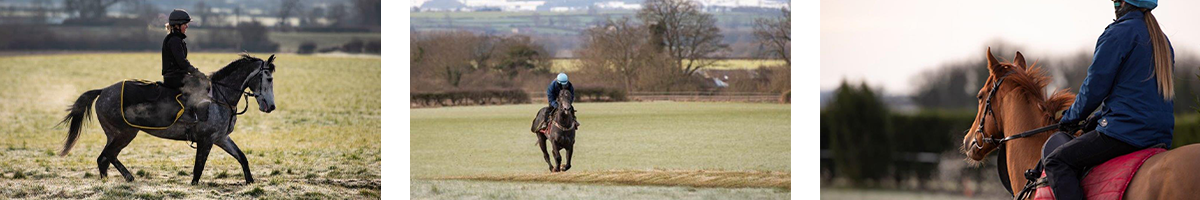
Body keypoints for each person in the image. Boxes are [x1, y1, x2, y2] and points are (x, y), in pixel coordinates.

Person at [1044, 0, 1174, 199]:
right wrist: (1097, 118)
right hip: (1160, 134)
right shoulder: (1162, 40)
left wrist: (1069, 118)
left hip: (1128, 132)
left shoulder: (1118, 33)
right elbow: (1137, 95)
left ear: (1123, 3)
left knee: (1057, 161)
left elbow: (1094, 87)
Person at [162, 9, 212, 122]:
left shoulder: (176, 39)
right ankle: (187, 114)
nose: (187, 27)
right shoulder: (174, 40)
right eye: (185, 24)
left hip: (177, 75)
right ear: (177, 26)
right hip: (174, 77)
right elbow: (182, 62)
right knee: (200, 84)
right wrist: (197, 73)